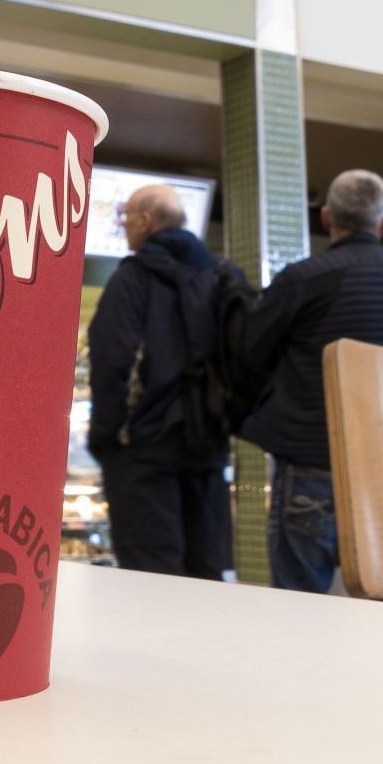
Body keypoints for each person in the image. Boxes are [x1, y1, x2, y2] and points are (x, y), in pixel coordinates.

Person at [243, 170, 383, 593]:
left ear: (327, 217)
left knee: (301, 608)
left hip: (311, 463)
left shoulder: (304, 279)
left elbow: (251, 353)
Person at [86, 183, 235, 579]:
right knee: (205, 576)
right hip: (207, 448)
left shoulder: (132, 278)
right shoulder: (221, 277)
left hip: (144, 449)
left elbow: (112, 357)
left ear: (147, 222)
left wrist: (108, 434)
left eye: (127, 216)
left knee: (151, 579)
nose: (123, 225)